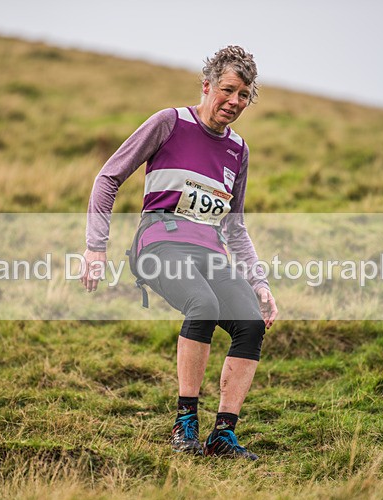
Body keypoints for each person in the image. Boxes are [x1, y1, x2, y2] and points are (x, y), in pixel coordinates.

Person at [81, 45, 278, 460]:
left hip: (210, 252)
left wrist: (259, 282)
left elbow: (235, 226)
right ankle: (184, 423)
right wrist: (95, 247)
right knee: (202, 304)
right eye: (227, 90)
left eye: (244, 95)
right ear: (207, 86)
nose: (234, 102)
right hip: (159, 243)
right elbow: (107, 178)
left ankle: (223, 435)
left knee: (250, 324)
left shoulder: (238, 150)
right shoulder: (169, 122)